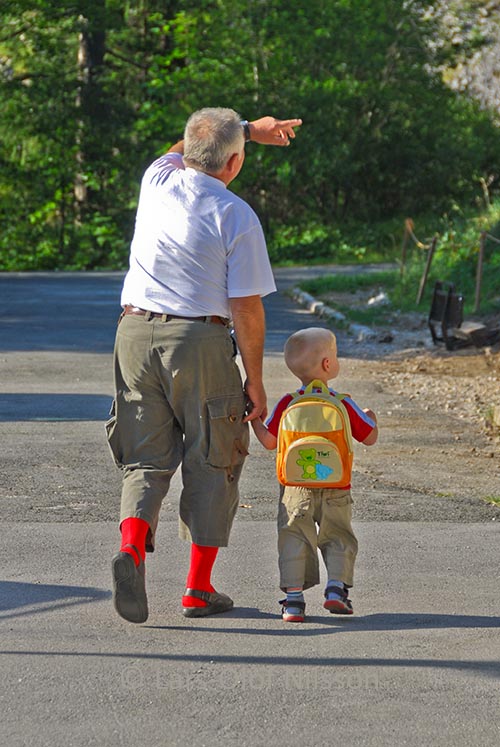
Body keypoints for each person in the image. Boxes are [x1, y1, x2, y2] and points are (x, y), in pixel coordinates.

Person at [106, 107, 302, 623]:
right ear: (235, 163)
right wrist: (255, 382)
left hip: (133, 331)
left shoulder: (157, 179)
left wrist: (246, 132)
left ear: (189, 151)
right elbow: (246, 308)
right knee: (214, 454)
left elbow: (184, 146)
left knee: (145, 457)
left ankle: (131, 547)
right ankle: (197, 588)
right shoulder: (235, 214)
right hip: (199, 338)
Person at [251, 327, 378, 622]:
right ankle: (336, 590)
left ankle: (293, 602)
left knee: (294, 537)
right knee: (338, 536)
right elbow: (369, 436)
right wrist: (371, 416)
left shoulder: (286, 403)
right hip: (337, 486)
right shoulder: (343, 402)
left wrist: (256, 421)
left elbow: (270, 441)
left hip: (295, 488)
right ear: (327, 365)